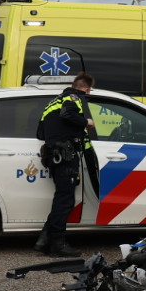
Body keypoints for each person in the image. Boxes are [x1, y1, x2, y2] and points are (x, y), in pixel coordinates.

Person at [35, 73, 96, 256]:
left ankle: (44, 240)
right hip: (66, 155)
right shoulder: (74, 97)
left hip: (54, 154)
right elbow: (67, 114)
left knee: (62, 198)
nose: (88, 93)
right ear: (85, 89)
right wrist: (86, 122)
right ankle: (58, 245)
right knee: (65, 200)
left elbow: (40, 133)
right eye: (89, 91)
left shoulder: (52, 103)